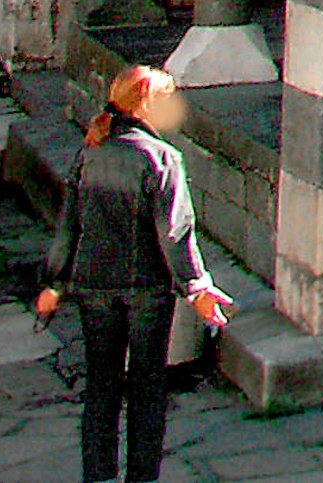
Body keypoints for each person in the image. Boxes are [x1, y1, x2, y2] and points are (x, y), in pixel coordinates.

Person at [32, 64, 229, 483]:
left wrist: (53, 283)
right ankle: (142, 476)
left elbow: (70, 225)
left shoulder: (91, 151)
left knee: (101, 388)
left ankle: (98, 475)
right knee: (146, 389)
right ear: (147, 104)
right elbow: (174, 234)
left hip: (94, 286)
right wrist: (198, 288)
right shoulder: (162, 158)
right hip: (146, 291)